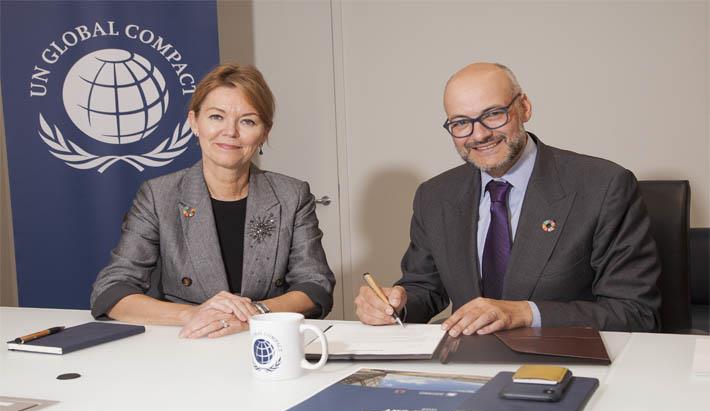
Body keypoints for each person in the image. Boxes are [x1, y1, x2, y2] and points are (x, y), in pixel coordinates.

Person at [355, 62, 660, 335]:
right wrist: (395, 303)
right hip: (469, 366)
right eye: (461, 122)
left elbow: (636, 312)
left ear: (524, 107)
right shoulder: (434, 196)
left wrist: (526, 313)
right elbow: (425, 288)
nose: (478, 135)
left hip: (565, 362)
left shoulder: (603, 186)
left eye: (493, 115)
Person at [90, 63, 335, 338]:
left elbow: (315, 286)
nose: (230, 132)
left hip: (267, 343)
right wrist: (194, 314)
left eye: (248, 121)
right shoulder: (158, 196)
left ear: (265, 132)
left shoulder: (292, 195)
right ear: (194, 122)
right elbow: (112, 290)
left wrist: (254, 313)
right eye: (216, 117)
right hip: (189, 344)